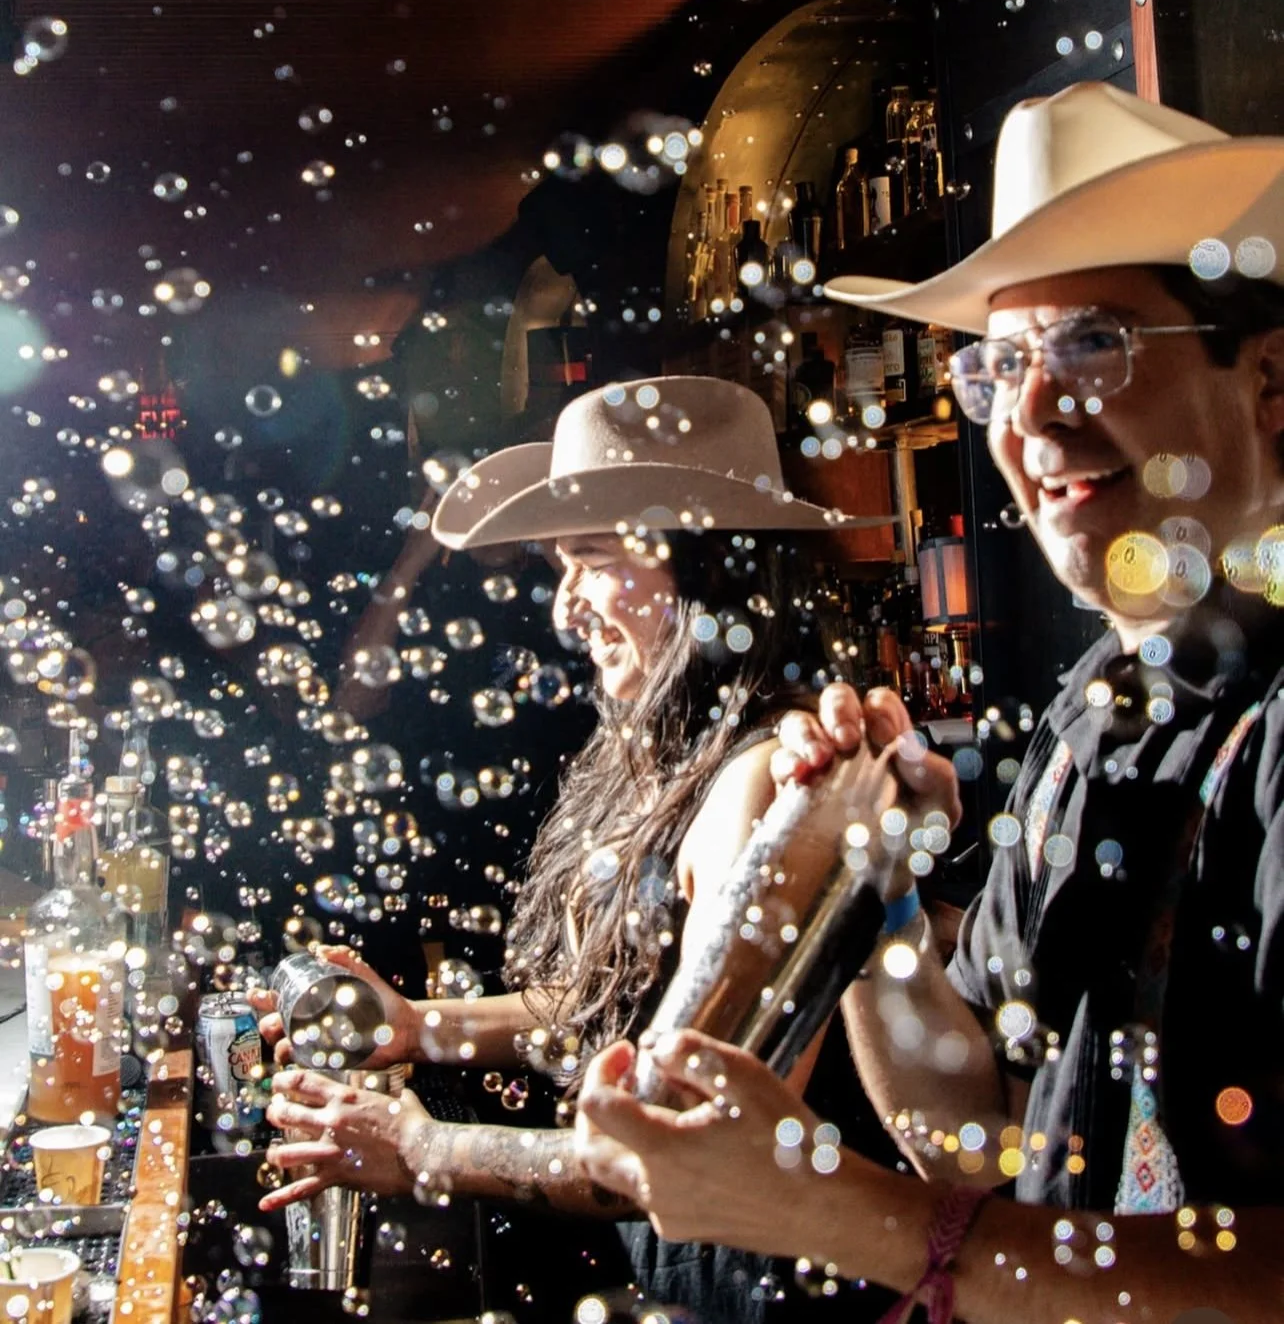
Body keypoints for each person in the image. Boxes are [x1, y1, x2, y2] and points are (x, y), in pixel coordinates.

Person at [573, 81, 1284, 1324]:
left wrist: (825, 1210)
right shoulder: (1098, 710)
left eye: (1094, 342)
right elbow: (981, 1144)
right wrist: (883, 899)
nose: (1029, 413)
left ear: (1272, 383)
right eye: (1002, 362)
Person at [251, 373, 896, 1322]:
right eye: (561, 565)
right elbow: (619, 1005)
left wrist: (425, 1149)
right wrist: (419, 1024)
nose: (568, 607)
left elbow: (685, 1137)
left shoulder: (765, 779)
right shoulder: (682, 747)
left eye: (593, 558)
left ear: (708, 568)